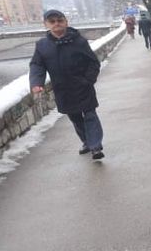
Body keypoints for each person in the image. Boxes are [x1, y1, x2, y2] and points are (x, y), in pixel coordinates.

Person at [29, 9, 105, 160]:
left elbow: (93, 63)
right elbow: (37, 65)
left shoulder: (79, 41)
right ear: (46, 24)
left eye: (60, 20)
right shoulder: (42, 45)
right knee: (75, 118)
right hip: (62, 89)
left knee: (90, 115)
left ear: (66, 22)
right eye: (52, 21)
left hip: (83, 87)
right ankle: (86, 142)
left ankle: (96, 146)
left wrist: (88, 80)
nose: (57, 24)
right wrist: (37, 82)